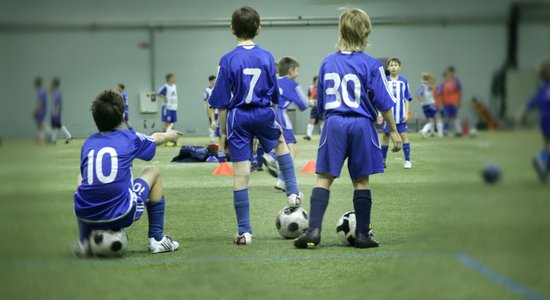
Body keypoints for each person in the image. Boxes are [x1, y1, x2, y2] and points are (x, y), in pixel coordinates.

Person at [294, 8, 402, 249]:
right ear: (366, 32)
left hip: (334, 123)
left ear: (341, 30)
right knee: (361, 181)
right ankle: (363, 235)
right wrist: (393, 130)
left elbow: (321, 102)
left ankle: (313, 231)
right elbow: (383, 102)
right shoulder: (371, 65)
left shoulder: (328, 62)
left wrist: (327, 119)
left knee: (324, 178)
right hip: (362, 125)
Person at [208, 6, 304, 246]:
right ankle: (292, 192)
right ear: (259, 29)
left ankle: (245, 232)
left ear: (232, 29)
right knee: (281, 143)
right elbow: (274, 95)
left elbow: (221, 103)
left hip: (237, 116)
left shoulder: (227, 59)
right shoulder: (267, 57)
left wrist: (222, 136)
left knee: (241, 175)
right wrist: (270, 119)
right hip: (262, 111)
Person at [73, 90, 181, 257]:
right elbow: (155, 139)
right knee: (152, 171)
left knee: (81, 178)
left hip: (87, 217)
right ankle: (157, 240)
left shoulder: (88, 143)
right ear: (123, 116)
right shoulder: (129, 138)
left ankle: (84, 241)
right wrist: (169, 135)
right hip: (122, 214)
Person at [273, 56, 310, 191]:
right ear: (290, 71)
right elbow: (304, 104)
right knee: (291, 150)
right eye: (297, 70)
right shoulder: (293, 85)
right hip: (280, 115)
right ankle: (282, 180)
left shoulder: (274, 80)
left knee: (277, 144)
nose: (298, 73)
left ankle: (270, 156)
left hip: (268, 115)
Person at [381, 57, 413, 169]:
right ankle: (383, 160)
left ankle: (407, 160)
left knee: (404, 136)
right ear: (388, 68)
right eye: (391, 65)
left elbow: (407, 98)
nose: (393, 67)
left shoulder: (404, 82)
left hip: (400, 116)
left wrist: (406, 113)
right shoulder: (384, 81)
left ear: (400, 67)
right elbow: (381, 99)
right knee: (385, 137)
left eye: (395, 65)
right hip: (388, 116)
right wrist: (380, 114)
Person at [523, 59, 550, 182]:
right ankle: (541, 159)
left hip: (544, 118)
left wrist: (522, 115)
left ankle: (544, 168)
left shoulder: (542, 88)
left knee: (547, 144)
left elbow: (531, 103)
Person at [415, 73, 443, 138]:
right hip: (431, 104)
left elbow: (417, 94)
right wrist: (422, 101)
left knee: (430, 120)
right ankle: (440, 134)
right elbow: (437, 90)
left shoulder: (422, 86)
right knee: (438, 118)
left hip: (425, 106)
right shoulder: (427, 86)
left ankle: (426, 131)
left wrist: (421, 102)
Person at [157, 73, 179, 146]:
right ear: (169, 78)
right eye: (173, 77)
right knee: (166, 124)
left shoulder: (174, 86)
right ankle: (165, 141)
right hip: (167, 107)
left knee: (172, 124)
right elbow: (157, 93)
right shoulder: (165, 87)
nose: (175, 78)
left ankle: (173, 140)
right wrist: (164, 98)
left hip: (173, 107)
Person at [49, 77, 72, 144]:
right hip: (54, 111)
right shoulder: (55, 91)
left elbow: (59, 103)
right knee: (54, 125)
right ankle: (53, 140)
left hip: (56, 111)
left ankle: (69, 137)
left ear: (54, 84)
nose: (51, 84)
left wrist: (56, 111)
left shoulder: (58, 92)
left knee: (57, 125)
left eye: (52, 83)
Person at [441, 66, 463, 137]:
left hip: (453, 102)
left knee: (454, 116)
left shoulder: (456, 81)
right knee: (447, 116)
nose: (449, 74)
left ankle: (458, 131)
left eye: (450, 72)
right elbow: (442, 93)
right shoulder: (445, 82)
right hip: (446, 103)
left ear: (453, 72)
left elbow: (460, 92)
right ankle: (446, 131)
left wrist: (459, 101)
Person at [304, 76, 323, 141]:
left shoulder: (322, 87)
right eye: (317, 80)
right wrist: (309, 102)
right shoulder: (310, 87)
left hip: (320, 106)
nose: (318, 81)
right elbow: (308, 97)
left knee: (322, 120)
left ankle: (323, 136)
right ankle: (308, 135)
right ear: (314, 80)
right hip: (313, 106)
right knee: (312, 119)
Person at [33, 77, 47, 144]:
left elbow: (40, 102)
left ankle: (41, 139)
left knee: (40, 124)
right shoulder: (40, 90)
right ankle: (39, 139)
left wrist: (36, 110)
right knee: (39, 124)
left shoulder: (41, 91)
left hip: (41, 110)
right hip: (41, 109)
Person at [204, 75, 217, 143]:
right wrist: (208, 110)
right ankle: (212, 139)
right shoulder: (207, 90)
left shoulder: (218, 88)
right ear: (211, 81)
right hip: (211, 109)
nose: (215, 81)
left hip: (218, 109)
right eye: (214, 80)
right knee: (211, 123)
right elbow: (206, 101)